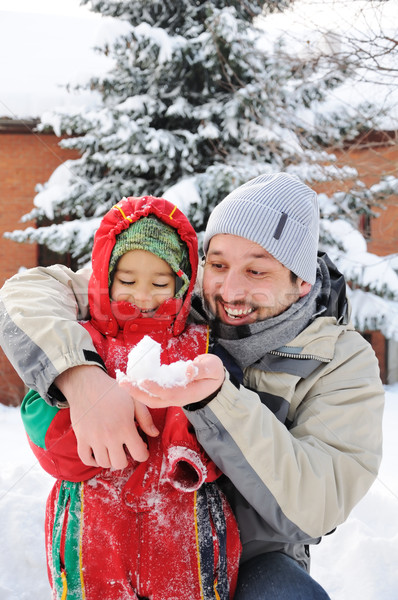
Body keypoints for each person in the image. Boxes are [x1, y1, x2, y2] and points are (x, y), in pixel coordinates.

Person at [0, 173, 384, 599]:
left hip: (257, 555)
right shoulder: (172, 290)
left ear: (302, 280)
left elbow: (316, 506)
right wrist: (81, 376)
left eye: (257, 270)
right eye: (218, 264)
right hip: (131, 530)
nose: (229, 290)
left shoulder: (340, 359)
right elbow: (30, 292)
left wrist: (216, 400)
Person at [18, 195, 241, 600]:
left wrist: (185, 445)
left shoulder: (203, 347)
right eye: (127, 280)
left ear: (182, 283)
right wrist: (90, 428)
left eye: (160, 283)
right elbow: (45, 436)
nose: (143, 295)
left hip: (183, 535)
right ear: (104, 278)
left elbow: (230, 427)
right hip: (93, 533)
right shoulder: (82, 345)